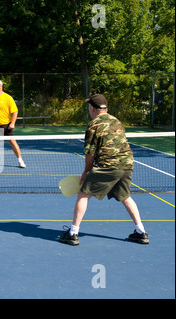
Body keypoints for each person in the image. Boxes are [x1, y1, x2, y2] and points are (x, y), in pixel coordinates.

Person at [59, 94, 149, 246]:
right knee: (126, 196)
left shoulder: (94, 125)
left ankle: (73, 233)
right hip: (127, 165)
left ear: (92, 108)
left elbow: (90, 153)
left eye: (89, 107)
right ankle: (141, 232)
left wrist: (86, 172)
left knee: (83, 194)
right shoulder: (117, 121)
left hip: (108, 166)